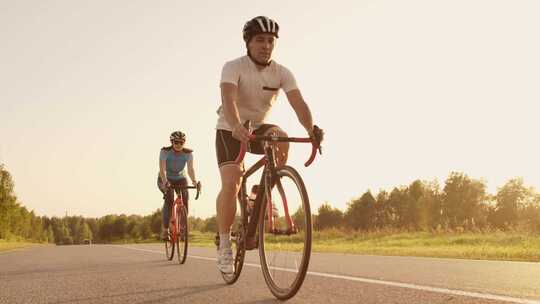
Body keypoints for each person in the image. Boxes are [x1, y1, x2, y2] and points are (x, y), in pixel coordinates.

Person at [214, 16, 323, 274]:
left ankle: (260, 194)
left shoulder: (282, 73)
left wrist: (311, 130)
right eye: (260, 40)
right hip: (230, 128)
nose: (266, 45)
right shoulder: (233, 67)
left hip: (259, 127)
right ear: (249, 43)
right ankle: (225, 243)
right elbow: (228, 100)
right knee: (231, 182)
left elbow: (299, 104)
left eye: (270, 41)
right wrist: (237, 125)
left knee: (281, 137)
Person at [157, 131, 198, 240]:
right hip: (165, 178)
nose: (179, 145)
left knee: (185, 198)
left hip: (180, 178)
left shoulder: (188, 154)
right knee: (169, 199)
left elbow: (190, 169)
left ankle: (183, 228)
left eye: (181, 142)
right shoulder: (165, 152)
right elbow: (162, 170)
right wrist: (165, 182)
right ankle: (165, 230)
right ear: (172, 142)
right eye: (176, 142)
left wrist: (194, 181)